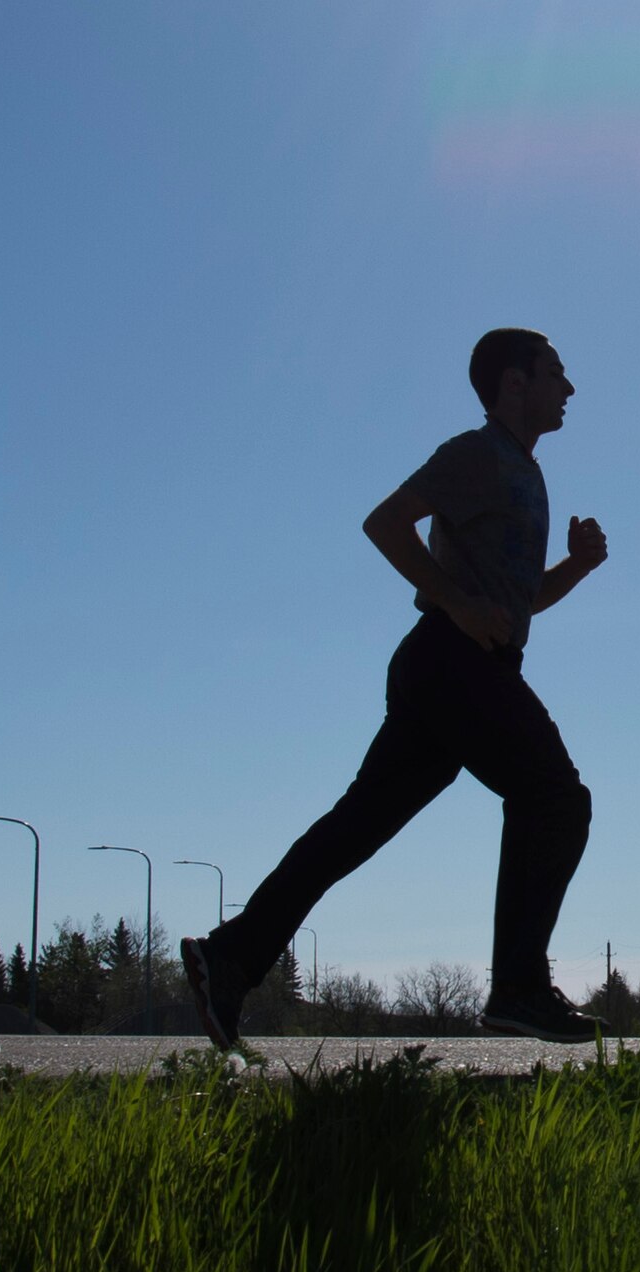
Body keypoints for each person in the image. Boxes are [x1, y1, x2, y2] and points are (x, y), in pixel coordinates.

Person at [182, 328, 610, 1045]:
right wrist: (454, 601)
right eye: (557, 374)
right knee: (556, 800)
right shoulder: (476, 455)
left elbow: (516, 600)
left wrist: (578, 568)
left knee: (357, 826)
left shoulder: (527, 474)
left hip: (455, 668)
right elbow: (385, 523)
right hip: (452, 663)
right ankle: (520, 989)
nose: (569, 389)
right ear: (514, 384)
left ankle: (229, 958)